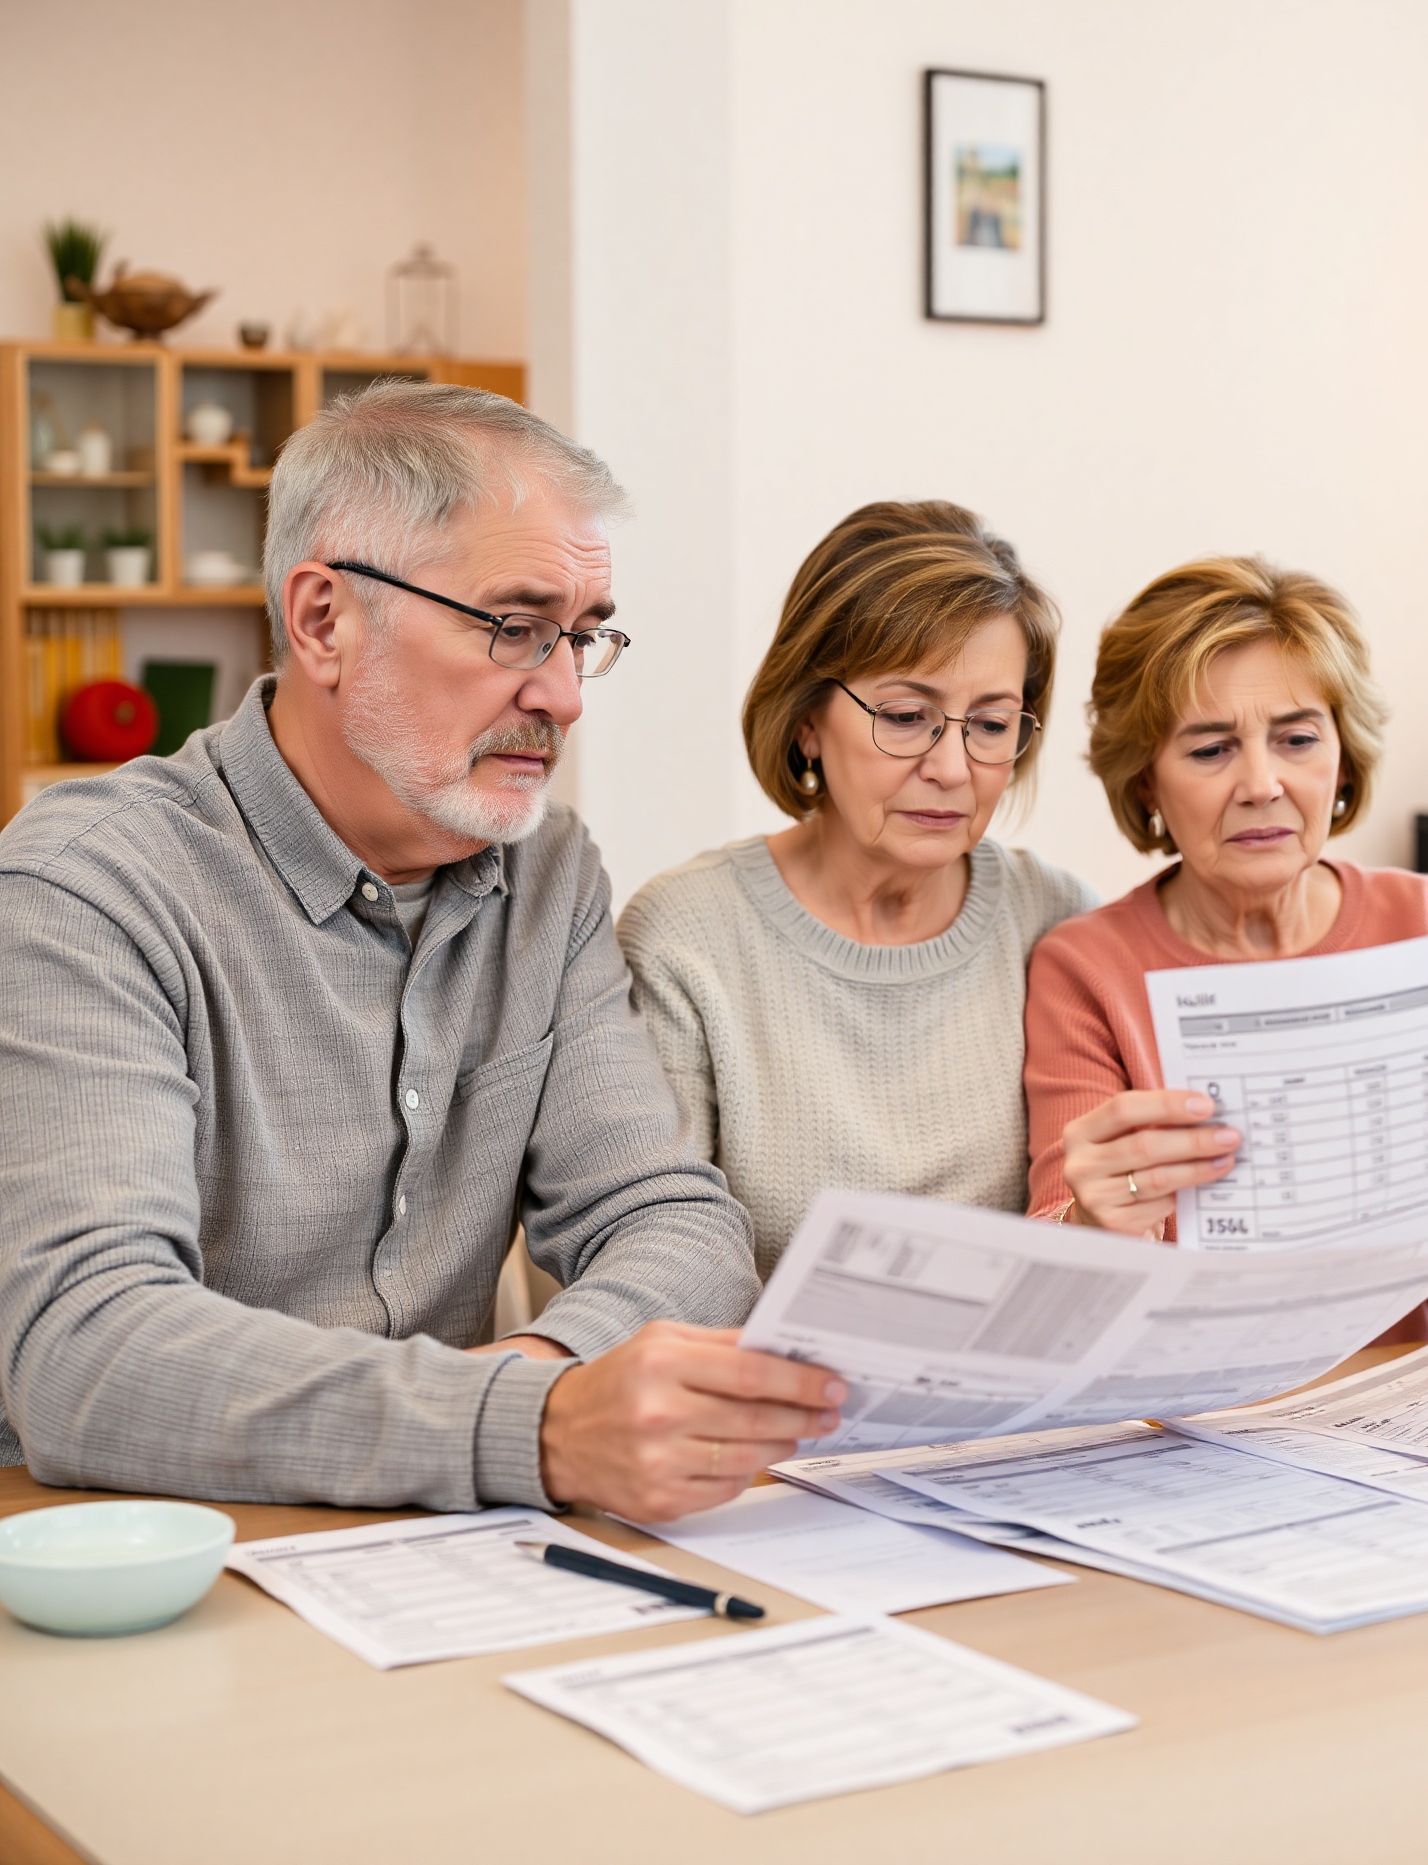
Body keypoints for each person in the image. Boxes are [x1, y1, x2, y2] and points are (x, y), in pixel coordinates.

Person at [0, 382, 844, 1522]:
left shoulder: (547, 875)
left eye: (581, 636)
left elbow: (672, 1223)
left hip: (440, 1547)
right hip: (145, 1546)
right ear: (323, 621)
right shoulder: (87, 885)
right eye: (513, 625)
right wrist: (533, 1426)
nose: (560, 694)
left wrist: (546, 1393)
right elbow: (87, 1346)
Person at [1024, 556, 1428, 1353]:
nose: (1263, 783)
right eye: (1210, 750)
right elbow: (1056, 1246)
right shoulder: (1086, 966)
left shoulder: (1421, 920)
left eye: (1298, 739)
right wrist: (1095, 1226)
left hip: (1383, 1411)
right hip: (1179, 1417)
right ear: (1146, 784)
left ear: (1341, 757)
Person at [620, 501, 1092, 1273]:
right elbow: (655, 1250)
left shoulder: (1058, 920)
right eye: (906, 716)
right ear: (808, 720)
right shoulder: (686, 935)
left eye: (991, 724)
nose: (951, 768)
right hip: (768, 1384)